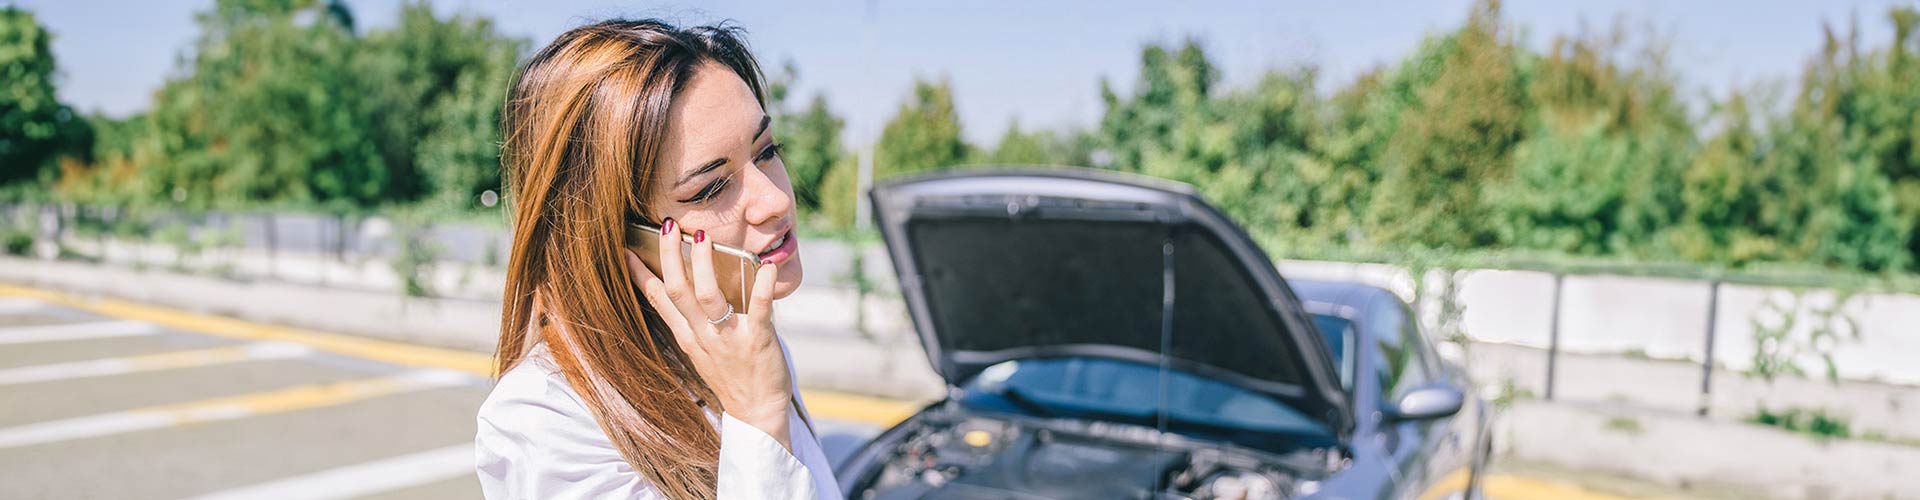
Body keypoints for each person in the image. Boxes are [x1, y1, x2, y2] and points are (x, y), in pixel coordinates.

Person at [473, 18, 837, 499]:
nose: (774, 200)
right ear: (620, 235)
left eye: (766, 151)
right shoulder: (541, 422)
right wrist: (757, 416)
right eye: (710, 188)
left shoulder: (737, 336)